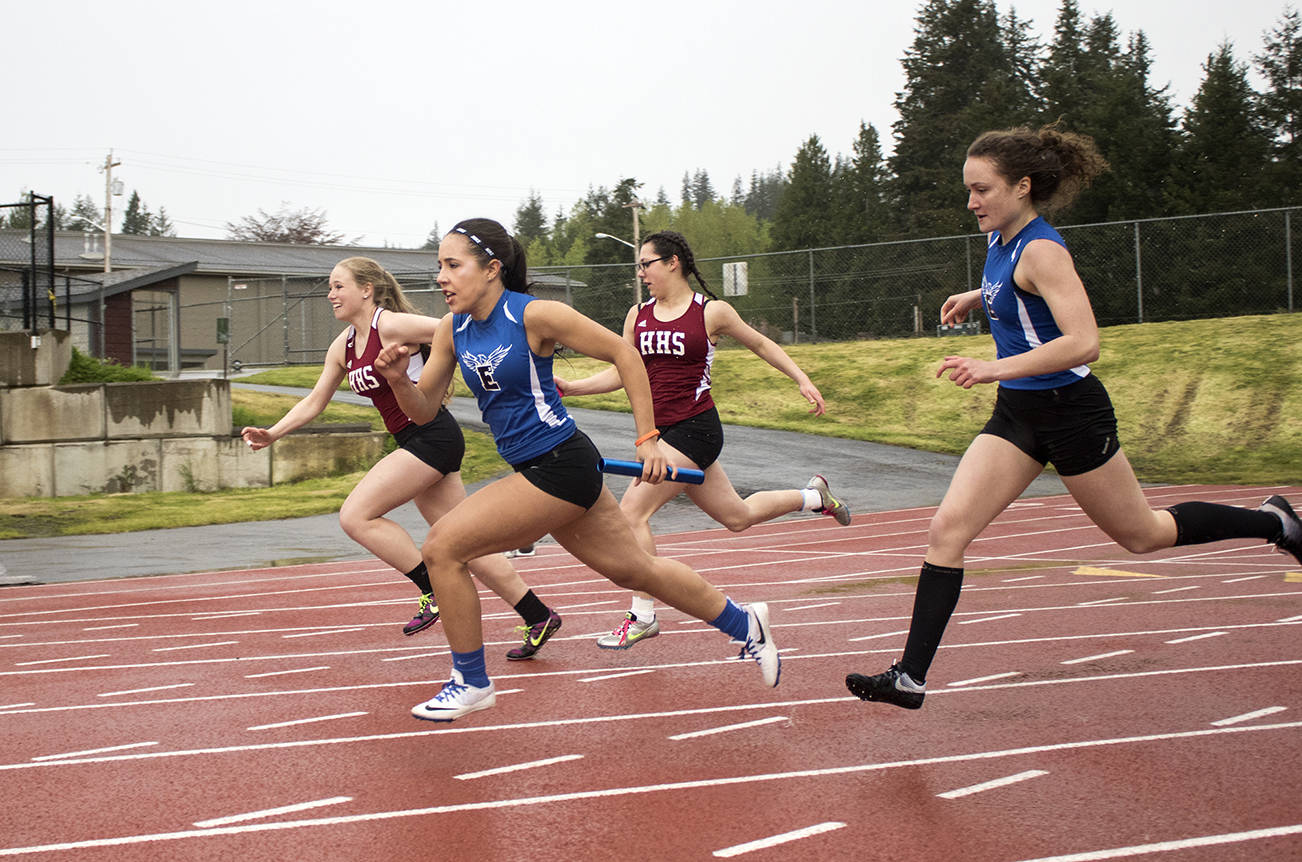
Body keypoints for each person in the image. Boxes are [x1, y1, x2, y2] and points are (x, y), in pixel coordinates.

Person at [845, 125, 1302, 710]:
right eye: (969, 189)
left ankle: (1274, 523)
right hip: (1019, 414)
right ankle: (910, 677)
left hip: (1072, 413)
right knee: (947, 530)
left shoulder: (1042, 249)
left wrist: (993, 367)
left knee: (1142, 535)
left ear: (1022, 187)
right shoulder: (1001, 240)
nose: (971, 202)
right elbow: (1017, 293)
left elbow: (1085, 342)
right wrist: (975, 298)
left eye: (981, 189)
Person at [373, 218, 781, 722]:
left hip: (559, 463)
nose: (441, 277)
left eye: (453, 266)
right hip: (546, 468)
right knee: (635, 570)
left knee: (442, 547)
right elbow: (422, 409)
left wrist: (649, 438)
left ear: (492, 269)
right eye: (439, 267)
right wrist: (396, 380)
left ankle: (470, 680)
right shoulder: (451, 331)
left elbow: (625, 354)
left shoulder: (535, 315)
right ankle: (746, 623)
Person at [241, 256, 562, 659]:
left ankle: (432, 589)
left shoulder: (389, 324)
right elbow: (314, 401)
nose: (330, 295)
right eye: (330, 287)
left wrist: (492, 362)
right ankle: (537, 614)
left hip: (431, 436)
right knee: (465, 545)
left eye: (338, 286)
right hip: (415, 440)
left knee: (356, 515)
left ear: (366, 290)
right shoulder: (342, 347)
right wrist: (272, 433)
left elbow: (452, 328)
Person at [553, 229, 851, 650]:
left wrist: (802, 379)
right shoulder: (637, 315)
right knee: (737, 516)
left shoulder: (711, 312)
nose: (641, 273)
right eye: (639, 266)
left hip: (696, 430)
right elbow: (626, 372)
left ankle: (642, 615)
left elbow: (762, 343)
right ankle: (815, 497)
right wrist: (575, 386)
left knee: (631, 512)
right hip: (662, 433)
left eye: (646, 264)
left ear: (672, 262)